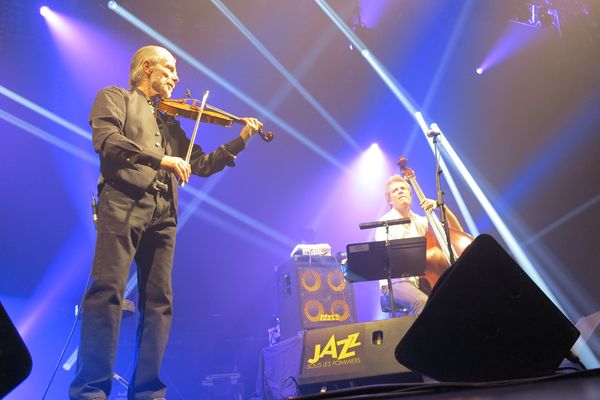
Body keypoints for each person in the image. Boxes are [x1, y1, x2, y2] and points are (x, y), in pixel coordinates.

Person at [69, 45, 262, 400]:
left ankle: (147, 393)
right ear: (147, 68)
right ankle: (90, 392)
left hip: (165, 213)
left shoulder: (170, 121)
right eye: (170, 69)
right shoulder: (115, 97)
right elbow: (108, 142)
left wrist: (241, 140)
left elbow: (200, 164)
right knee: (107, 292)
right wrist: (162, 160)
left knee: (159, 302)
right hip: (123, 201)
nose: (176, 77)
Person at [374, 175, 463, 316]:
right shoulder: (384, 222)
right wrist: (428, 255)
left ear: (410, 194)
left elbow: (455, 233)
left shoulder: (419, 221)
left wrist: (442, 207)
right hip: (394, 283)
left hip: (417, 282)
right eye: (395, 190)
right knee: (421, 301)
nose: (400, 191)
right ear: (390, 201)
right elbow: (388, 259)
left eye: (403, 188)